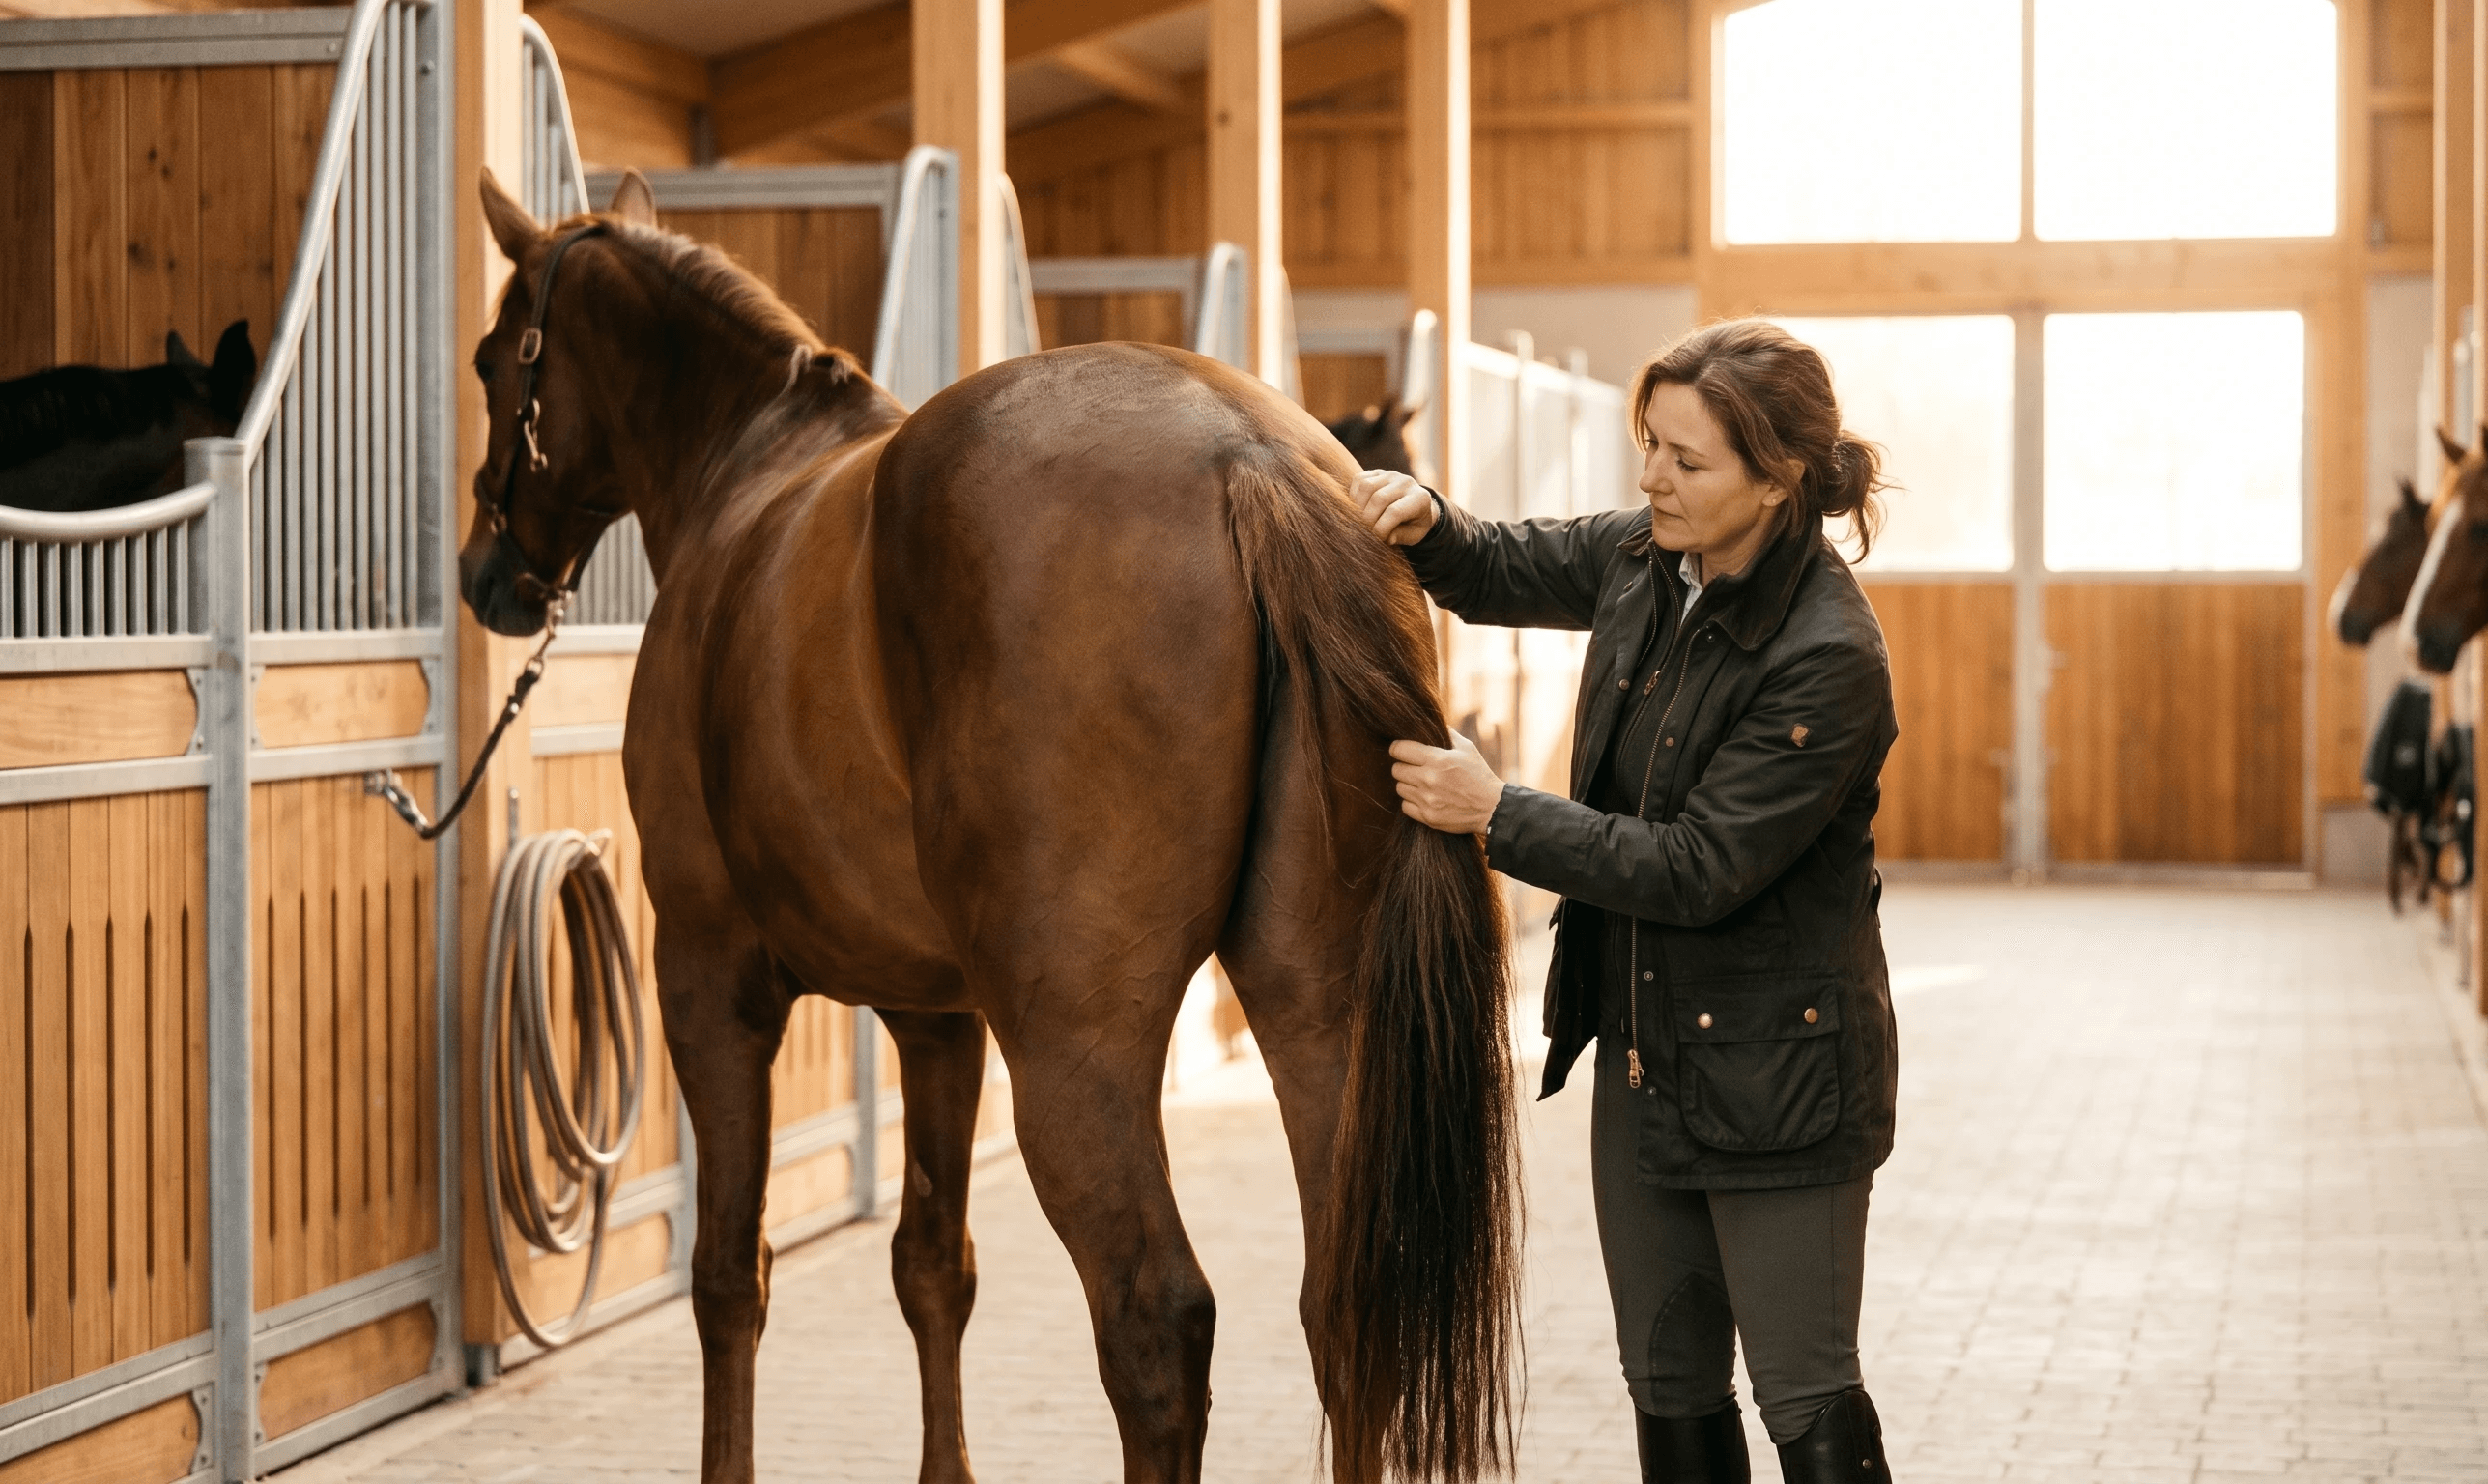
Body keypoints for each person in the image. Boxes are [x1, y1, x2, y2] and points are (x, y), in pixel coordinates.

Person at [1357, 318, 1902, 1484]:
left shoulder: (1827, 654)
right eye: (1648, 444)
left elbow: (1697, 867)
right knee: (1667, 1383)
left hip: (1779, 1083)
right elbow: (1498, 564)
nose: (1652, 477)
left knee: (1803, 1393)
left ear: (1777, 480)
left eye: (1686, 460)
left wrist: (1495, 813)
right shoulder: (1645, 559)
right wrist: (1427, 520)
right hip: (1646, 1056)